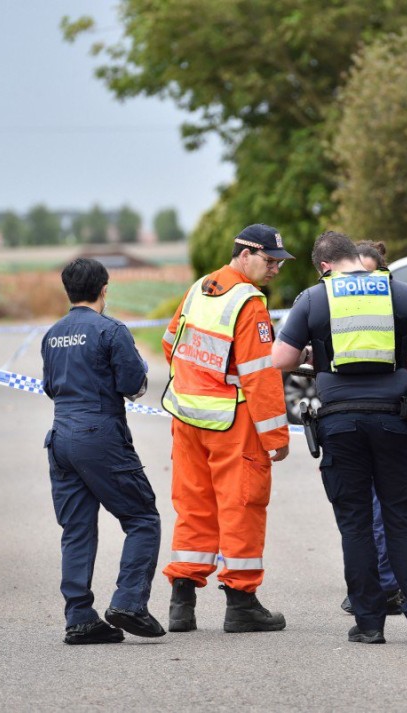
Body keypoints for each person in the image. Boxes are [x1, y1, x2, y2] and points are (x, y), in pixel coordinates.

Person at [271, 230, 407, 645]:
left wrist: (317, 358)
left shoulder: (314, 299)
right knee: (403, 518)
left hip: (340, 424)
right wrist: (393, 372)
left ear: (324, 266)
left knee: (356, 525)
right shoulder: (403, 294)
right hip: (393, 419)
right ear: (355, 256)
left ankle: (368, 623)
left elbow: (281, 359)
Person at [161, 223, 293, 634]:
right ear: (245, 254)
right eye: (269, 261)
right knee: (242, 506)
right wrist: (276, 436)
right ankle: (241, 604)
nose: (275, 269)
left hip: (187, 419)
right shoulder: (249, 302)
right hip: (231, 423)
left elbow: (170, 342)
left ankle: (181, 603)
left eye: (278, 262)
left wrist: (198, 383)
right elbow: (261, 375)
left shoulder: (201, 287)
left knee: (193, 506)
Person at [41, 258, 164, 645]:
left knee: (76, 528)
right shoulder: (111, 331)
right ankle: (128, 601)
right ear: (104, 290)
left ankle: (80, 617)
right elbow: (132, 383)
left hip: (60, 436)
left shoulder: (52, 334)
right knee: (143, 518)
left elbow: (49, 387)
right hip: (99, 434)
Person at [336, 239, 405, 617]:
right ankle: (378, 585)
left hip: (379, 416)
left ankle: (383, 586)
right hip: (356, 418)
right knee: (364, 511)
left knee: (380, 510)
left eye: (370, 271)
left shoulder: (395, 300)